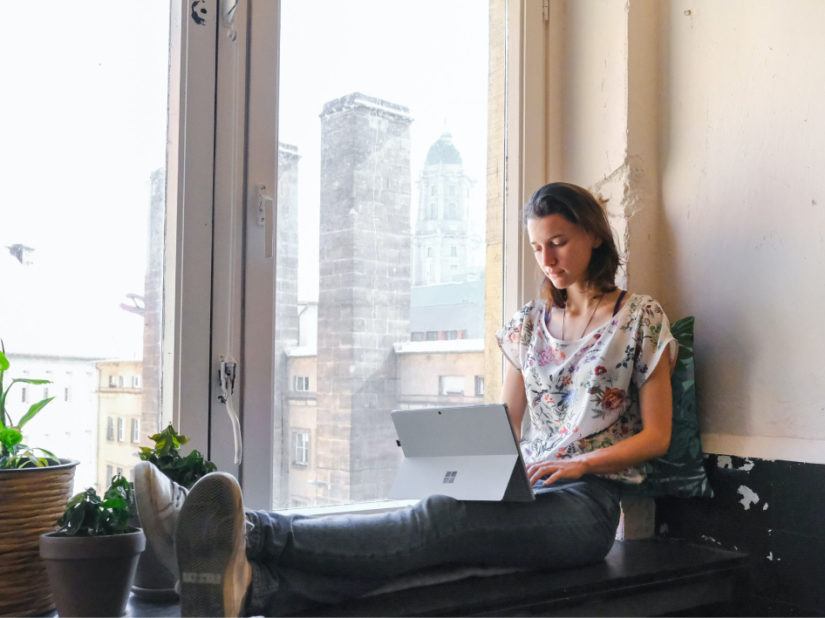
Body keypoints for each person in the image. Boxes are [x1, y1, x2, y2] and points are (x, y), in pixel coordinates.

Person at [134, 181, 677, 617]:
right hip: (529, 488)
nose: (547, 259)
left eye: (558, 242)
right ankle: (258, 592)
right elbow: (508, 423)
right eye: (537, 247)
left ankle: (244, 530)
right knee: (429, 538)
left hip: (589, 507)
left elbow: (657, 436)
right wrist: (450, 452)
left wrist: (578, 463)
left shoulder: (640, 318)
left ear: (594, 237)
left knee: (439, 526)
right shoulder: (526, 326)